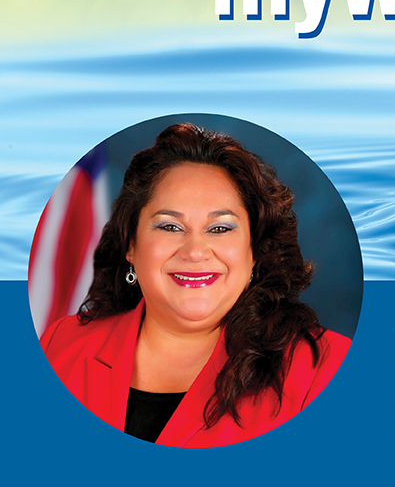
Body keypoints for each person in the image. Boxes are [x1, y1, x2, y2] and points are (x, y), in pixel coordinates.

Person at [40, 123, 351, 447]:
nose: (195, 252)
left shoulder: (326, 367)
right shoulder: (61, 346)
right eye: (170, 226)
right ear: (130, 245)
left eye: (220, 228)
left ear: (255, 251)